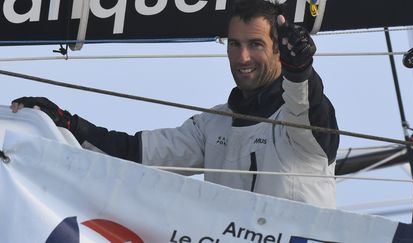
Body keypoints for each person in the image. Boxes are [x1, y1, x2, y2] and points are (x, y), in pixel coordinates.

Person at [11, 0, 339, 208]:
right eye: (234, 44)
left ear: (279, 50)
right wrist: (67, 124)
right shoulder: (214, 125)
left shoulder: (301, 125)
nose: (242, 57)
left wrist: (301, 70)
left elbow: (302, 104)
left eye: (255, 45)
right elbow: (136, 154)